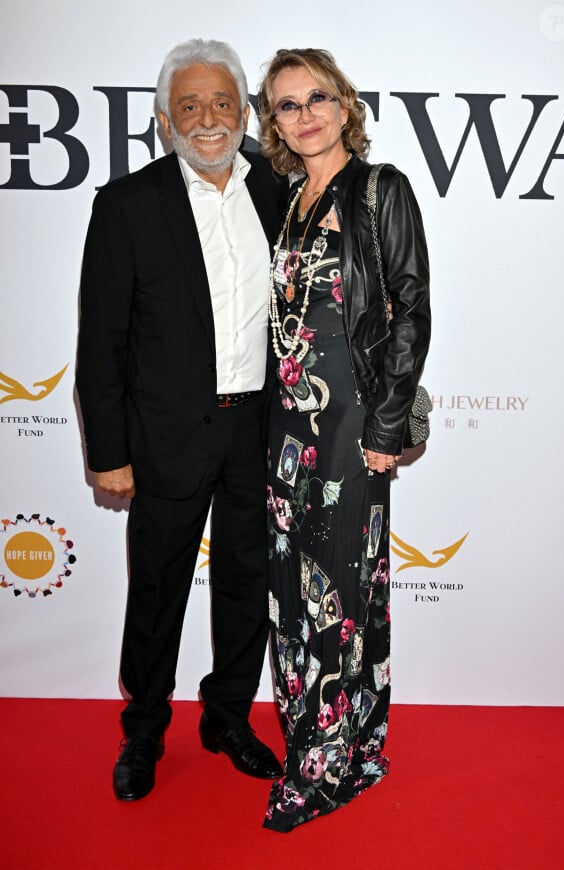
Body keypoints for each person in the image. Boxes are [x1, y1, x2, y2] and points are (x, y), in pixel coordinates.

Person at [76, 38, 287, 802]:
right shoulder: (128, 205)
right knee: (158, 586)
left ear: (244, 112)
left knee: (247, 580)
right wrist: (108, 452)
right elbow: (102, 341)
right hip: (162, 435)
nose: (208, 120)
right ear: (165, 119)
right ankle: (144, 727)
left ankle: (228, 715)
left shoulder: (278, 189)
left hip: (259, 431)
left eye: (221, 103)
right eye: (190, 106)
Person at [257, 48, 431, 831]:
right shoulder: (291, 199)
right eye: (288, 105)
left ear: (343, 103)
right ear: (276, 121)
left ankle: (328, 766)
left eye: (317, 97)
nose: (305, 115)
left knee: (340, 594)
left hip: (353, 425)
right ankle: (333, 743)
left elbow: (409, 312)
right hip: (288, 428)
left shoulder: (379, 189)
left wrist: (388, 429)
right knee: (299, 595)